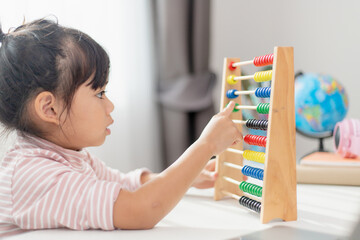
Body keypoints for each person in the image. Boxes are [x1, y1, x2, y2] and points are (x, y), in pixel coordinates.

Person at [0, 18, 242, 237]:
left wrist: (189, 175)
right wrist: (205, 145)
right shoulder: (34, 175)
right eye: (99, 93)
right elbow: (141, 210)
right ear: (49, 109)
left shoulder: (68, 156)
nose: (110, 105)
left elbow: (124, 185)